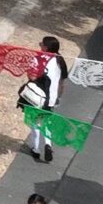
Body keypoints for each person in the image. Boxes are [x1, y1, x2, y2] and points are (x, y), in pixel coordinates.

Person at [21, 34, 69, 162]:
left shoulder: (38, 58)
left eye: (41, 44)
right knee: (46, 121)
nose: (40, 45)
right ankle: (48, 144)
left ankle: (35, 149)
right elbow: (62, 83)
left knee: (35, 122)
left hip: (37, 97)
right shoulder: (60, 60)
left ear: (46, 48)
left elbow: (31, 77)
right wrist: (58, 97)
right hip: (51, 98)